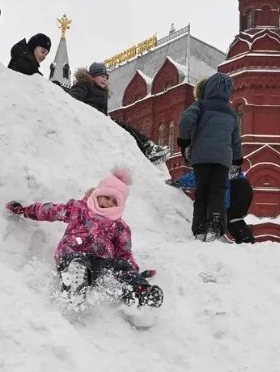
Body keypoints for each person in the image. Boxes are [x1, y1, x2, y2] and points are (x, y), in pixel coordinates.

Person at [5, 167, 161, 308]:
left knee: (121, 266)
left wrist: (132, 272)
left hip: (101, 263)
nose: (109, 203)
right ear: (97, 194)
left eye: (114, 202)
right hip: (73, 253)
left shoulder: (120, 226)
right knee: (76, 262)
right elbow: (50, 211)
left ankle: (140, 293)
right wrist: (25, 211)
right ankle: (75, 285)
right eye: (106, 197)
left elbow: (124, 253)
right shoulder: (78, 209)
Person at [177, 73, 243, 241]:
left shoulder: (201, 106)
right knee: (218, 192)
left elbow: (186, 120)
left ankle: (199, 228)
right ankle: (215, 226)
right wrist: (236, 161)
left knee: (202, 191)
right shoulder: (232, 114)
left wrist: (184, 141)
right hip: (223, 161)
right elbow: (236, 141)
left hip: (201, 158)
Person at [68, 62, 170, 163]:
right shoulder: (84, 85)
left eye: (106, 77)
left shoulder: (102, 92)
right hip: (92, 119)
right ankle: (147, 149)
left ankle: (148, 147)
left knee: (126, 128)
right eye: (102, 76)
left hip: (100, 120)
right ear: (93, 76)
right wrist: (92, 111)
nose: (105, 79)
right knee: (122, 127)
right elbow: (72, 100)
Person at [168, 169, 255, 243]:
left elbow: (199, 175)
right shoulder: (225, 155)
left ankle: (246, 243)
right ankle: (249, 245)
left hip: (234, 189)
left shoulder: (211, 162)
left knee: (227, 218)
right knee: (234, 220)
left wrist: (180, 182)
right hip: (245, 187)